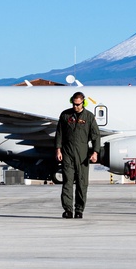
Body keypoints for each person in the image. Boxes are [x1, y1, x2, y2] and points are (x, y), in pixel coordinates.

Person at [54, 91, 101, 219]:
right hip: (67, 153)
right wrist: (58, 150)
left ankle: (79, 210)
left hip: (82, 155)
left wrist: (95, 152)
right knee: (67, 182)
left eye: (78, 105)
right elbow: (59, 134)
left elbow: (96, 136)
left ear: (83, 103)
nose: (76, 107)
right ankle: (68, 210)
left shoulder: (89, 117)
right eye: (74, 104)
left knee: (82, 183)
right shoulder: (65, 115)